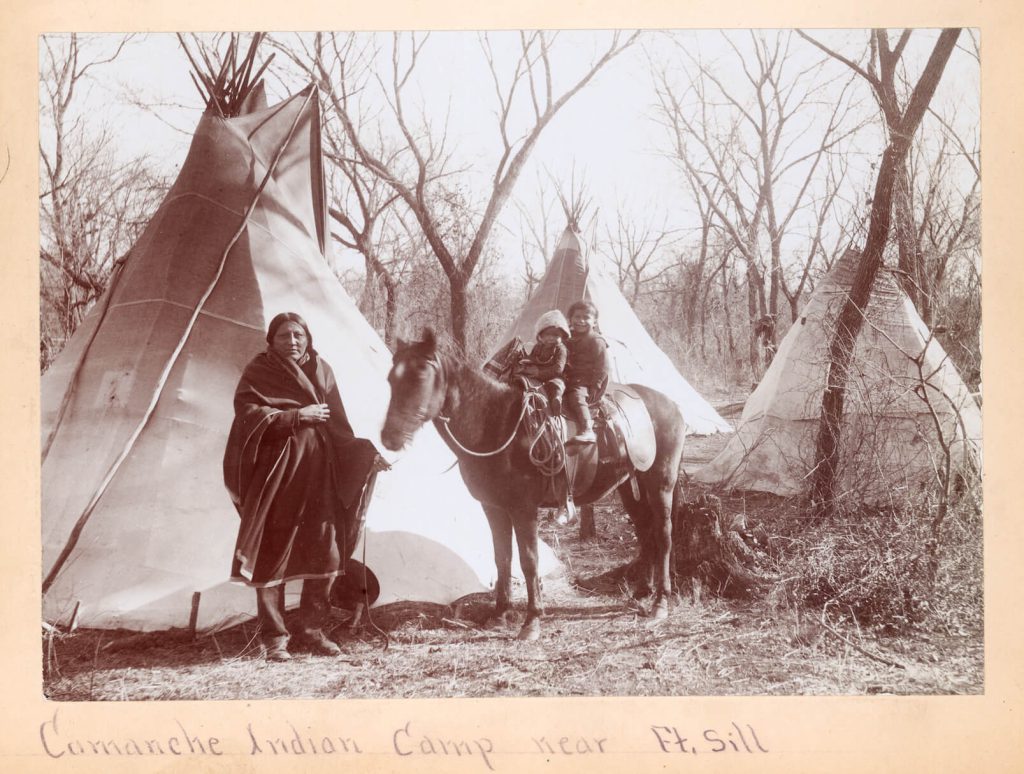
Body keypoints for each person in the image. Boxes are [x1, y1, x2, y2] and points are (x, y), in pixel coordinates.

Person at [223, 312, 389, 662]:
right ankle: (275, 639)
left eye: (298, 335)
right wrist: (296, 417)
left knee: (324, 550)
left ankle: (313, 630)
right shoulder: (259, 370)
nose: (293, 342)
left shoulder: (321, 369)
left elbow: (339, 426)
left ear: (307, 338)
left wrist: (367, 454)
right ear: (272, 340)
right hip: (279, 476)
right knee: (273, 552)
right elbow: (247, 415)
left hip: (319, 477)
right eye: (284, 336)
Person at [564, 300, 610, 444]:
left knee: (576, 397)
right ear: (570, 319)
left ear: (594, 322)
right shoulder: (566, 338)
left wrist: (595, 386)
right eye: (577, 317)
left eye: (586, 317)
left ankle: (587, 429)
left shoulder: (596, 340)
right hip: (567, 379)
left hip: (586, 383)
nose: (581, 321)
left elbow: (603, 367)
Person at [515, 310, 570, 414]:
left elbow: (558, 368)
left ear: (562, 337)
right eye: (547, 335)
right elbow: (532, 358)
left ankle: (556, 400)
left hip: (554, 376)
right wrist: (525, 364)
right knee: (521, 380)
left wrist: (539, 372)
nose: (551, 338)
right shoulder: (538, 347)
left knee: (556, 385)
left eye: (555, 335)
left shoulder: (561, 349)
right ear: (541, 335)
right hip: (536, 375)